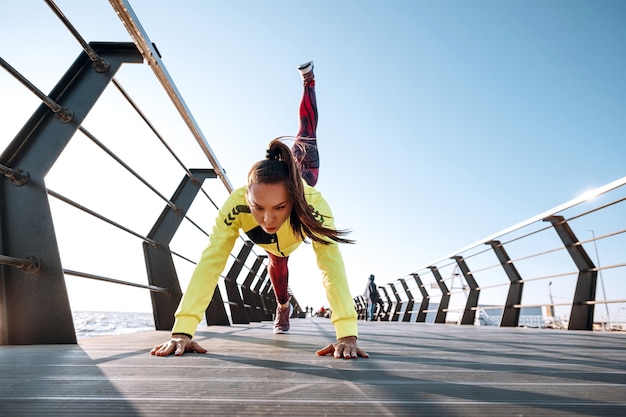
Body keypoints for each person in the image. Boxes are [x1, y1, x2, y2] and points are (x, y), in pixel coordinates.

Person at [151, 61, 368, 359]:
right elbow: (211, 260)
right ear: (248, 199)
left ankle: (309, 83)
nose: (268, 219)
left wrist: (347, 333)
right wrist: (182, 331)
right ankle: (283, 308)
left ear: (291, 199)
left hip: (300, 195)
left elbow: (330, 265)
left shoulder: (313, 203)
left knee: (307, 135)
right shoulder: (237, 204)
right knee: (279, 272)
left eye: (278, 208)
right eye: (258, 208)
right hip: (275, 250)